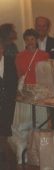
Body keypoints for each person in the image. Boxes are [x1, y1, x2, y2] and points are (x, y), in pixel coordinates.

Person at [14, 29, 49, 127]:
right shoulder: (19, 56)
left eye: (32, 39)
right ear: (24, 41)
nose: (30, 42)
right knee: (25, 121)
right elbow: (18, 75)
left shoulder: (44, 55)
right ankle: (26, 140)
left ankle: (40, 138)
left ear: (37, 40)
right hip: (24, 92)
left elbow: (47, 75)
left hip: (39, 92)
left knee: (40, 120)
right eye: (27, 40)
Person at [0, 38, 17, 169]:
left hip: (7, 100)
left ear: (2, 49)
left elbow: (13, 81)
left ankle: (8, 157)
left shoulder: (10, 61)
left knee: (6, 128)